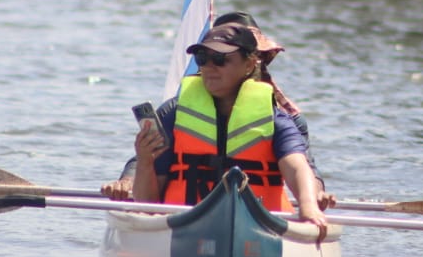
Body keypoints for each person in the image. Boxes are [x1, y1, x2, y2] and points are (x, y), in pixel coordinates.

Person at [127, 22, 329, 235]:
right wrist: (145, 161)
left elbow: (297, 166)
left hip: (258, 230)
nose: (209, 68)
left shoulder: (276, 120)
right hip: (184, 227)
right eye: (202, 59)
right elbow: (147, 205)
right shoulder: (173, 116)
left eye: (221, 60)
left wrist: (308, 207)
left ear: (250, 64)